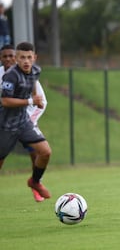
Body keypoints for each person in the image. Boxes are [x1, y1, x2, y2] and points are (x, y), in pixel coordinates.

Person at [0, 42, 51, 200]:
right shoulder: (11, 75)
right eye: (22, 57)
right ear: (17, 59)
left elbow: (33, 84)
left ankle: (35, 182)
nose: (26, 61)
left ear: (35, 58)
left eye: (29, 57)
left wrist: (37, 98)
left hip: (23, 122)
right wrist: (31, 101)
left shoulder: (35, 70)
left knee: (45, 152)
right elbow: (5, 101)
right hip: (6, 125)